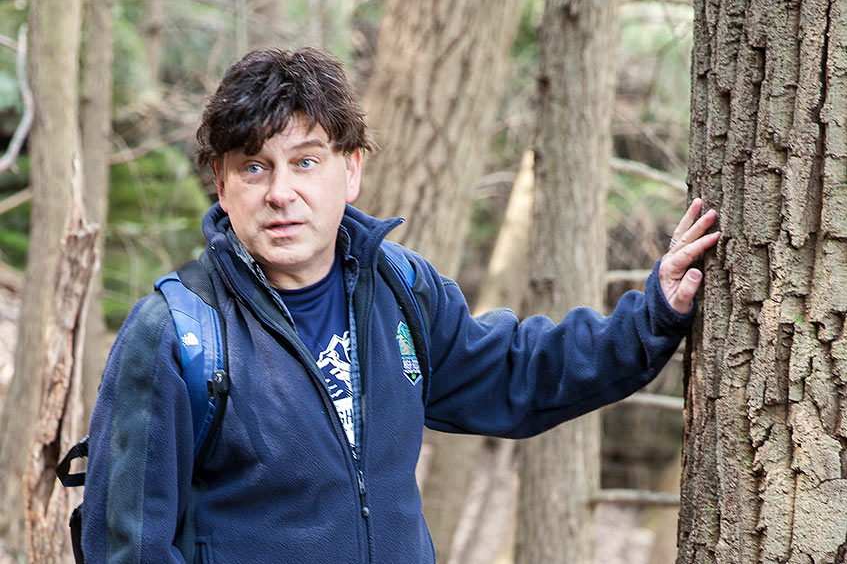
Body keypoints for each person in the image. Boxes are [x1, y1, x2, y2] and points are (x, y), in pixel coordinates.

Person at [81, 47, 720, 563]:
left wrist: (654, 314)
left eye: (306, 162)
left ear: (350, 170)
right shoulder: (177, 335)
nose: (281, 193)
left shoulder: (400, 290)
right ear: (221, 183)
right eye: (255, 168)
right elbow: (127, 550)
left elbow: (518, 374)